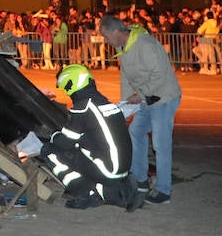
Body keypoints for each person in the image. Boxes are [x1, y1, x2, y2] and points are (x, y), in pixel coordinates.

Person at [99, 13, 182, 204]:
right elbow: (126, 76)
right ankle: (140, 180)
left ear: (115, 31)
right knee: (135, 132)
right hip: (148, 98)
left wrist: (140, 96)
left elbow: (159, 76)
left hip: (164, 98)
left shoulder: (145, 45)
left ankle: (164, 190)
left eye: (106, 36)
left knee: (161, 144)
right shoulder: (123, 46)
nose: (106, 41)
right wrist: (125, 102)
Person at [41, 64, 144, 210]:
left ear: (71, 85)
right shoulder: (107, 104)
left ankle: (89, 192)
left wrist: (52, 135)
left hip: (108, 169)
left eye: (65, 88)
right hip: (122, 169)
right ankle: (112, 188)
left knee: (50, 151)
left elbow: (65, 143)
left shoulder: (83, 106)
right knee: (80, 149)